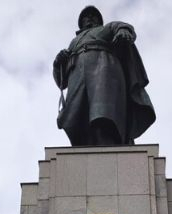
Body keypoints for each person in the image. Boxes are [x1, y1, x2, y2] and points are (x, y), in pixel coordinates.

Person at [53, 6, 155, 146]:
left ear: (99, 20)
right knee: (77, 115)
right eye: (86, 16)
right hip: (77, 75)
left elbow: (121, 27)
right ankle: (84, 145)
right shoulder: (74, 42)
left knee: (103, 113)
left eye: (93, 15)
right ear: (81, 22)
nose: (89, 18)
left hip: (104, 70)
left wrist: (123, 31)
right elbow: (61, 81)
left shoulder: (105, 29)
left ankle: (107, 141)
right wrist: (58, 62)